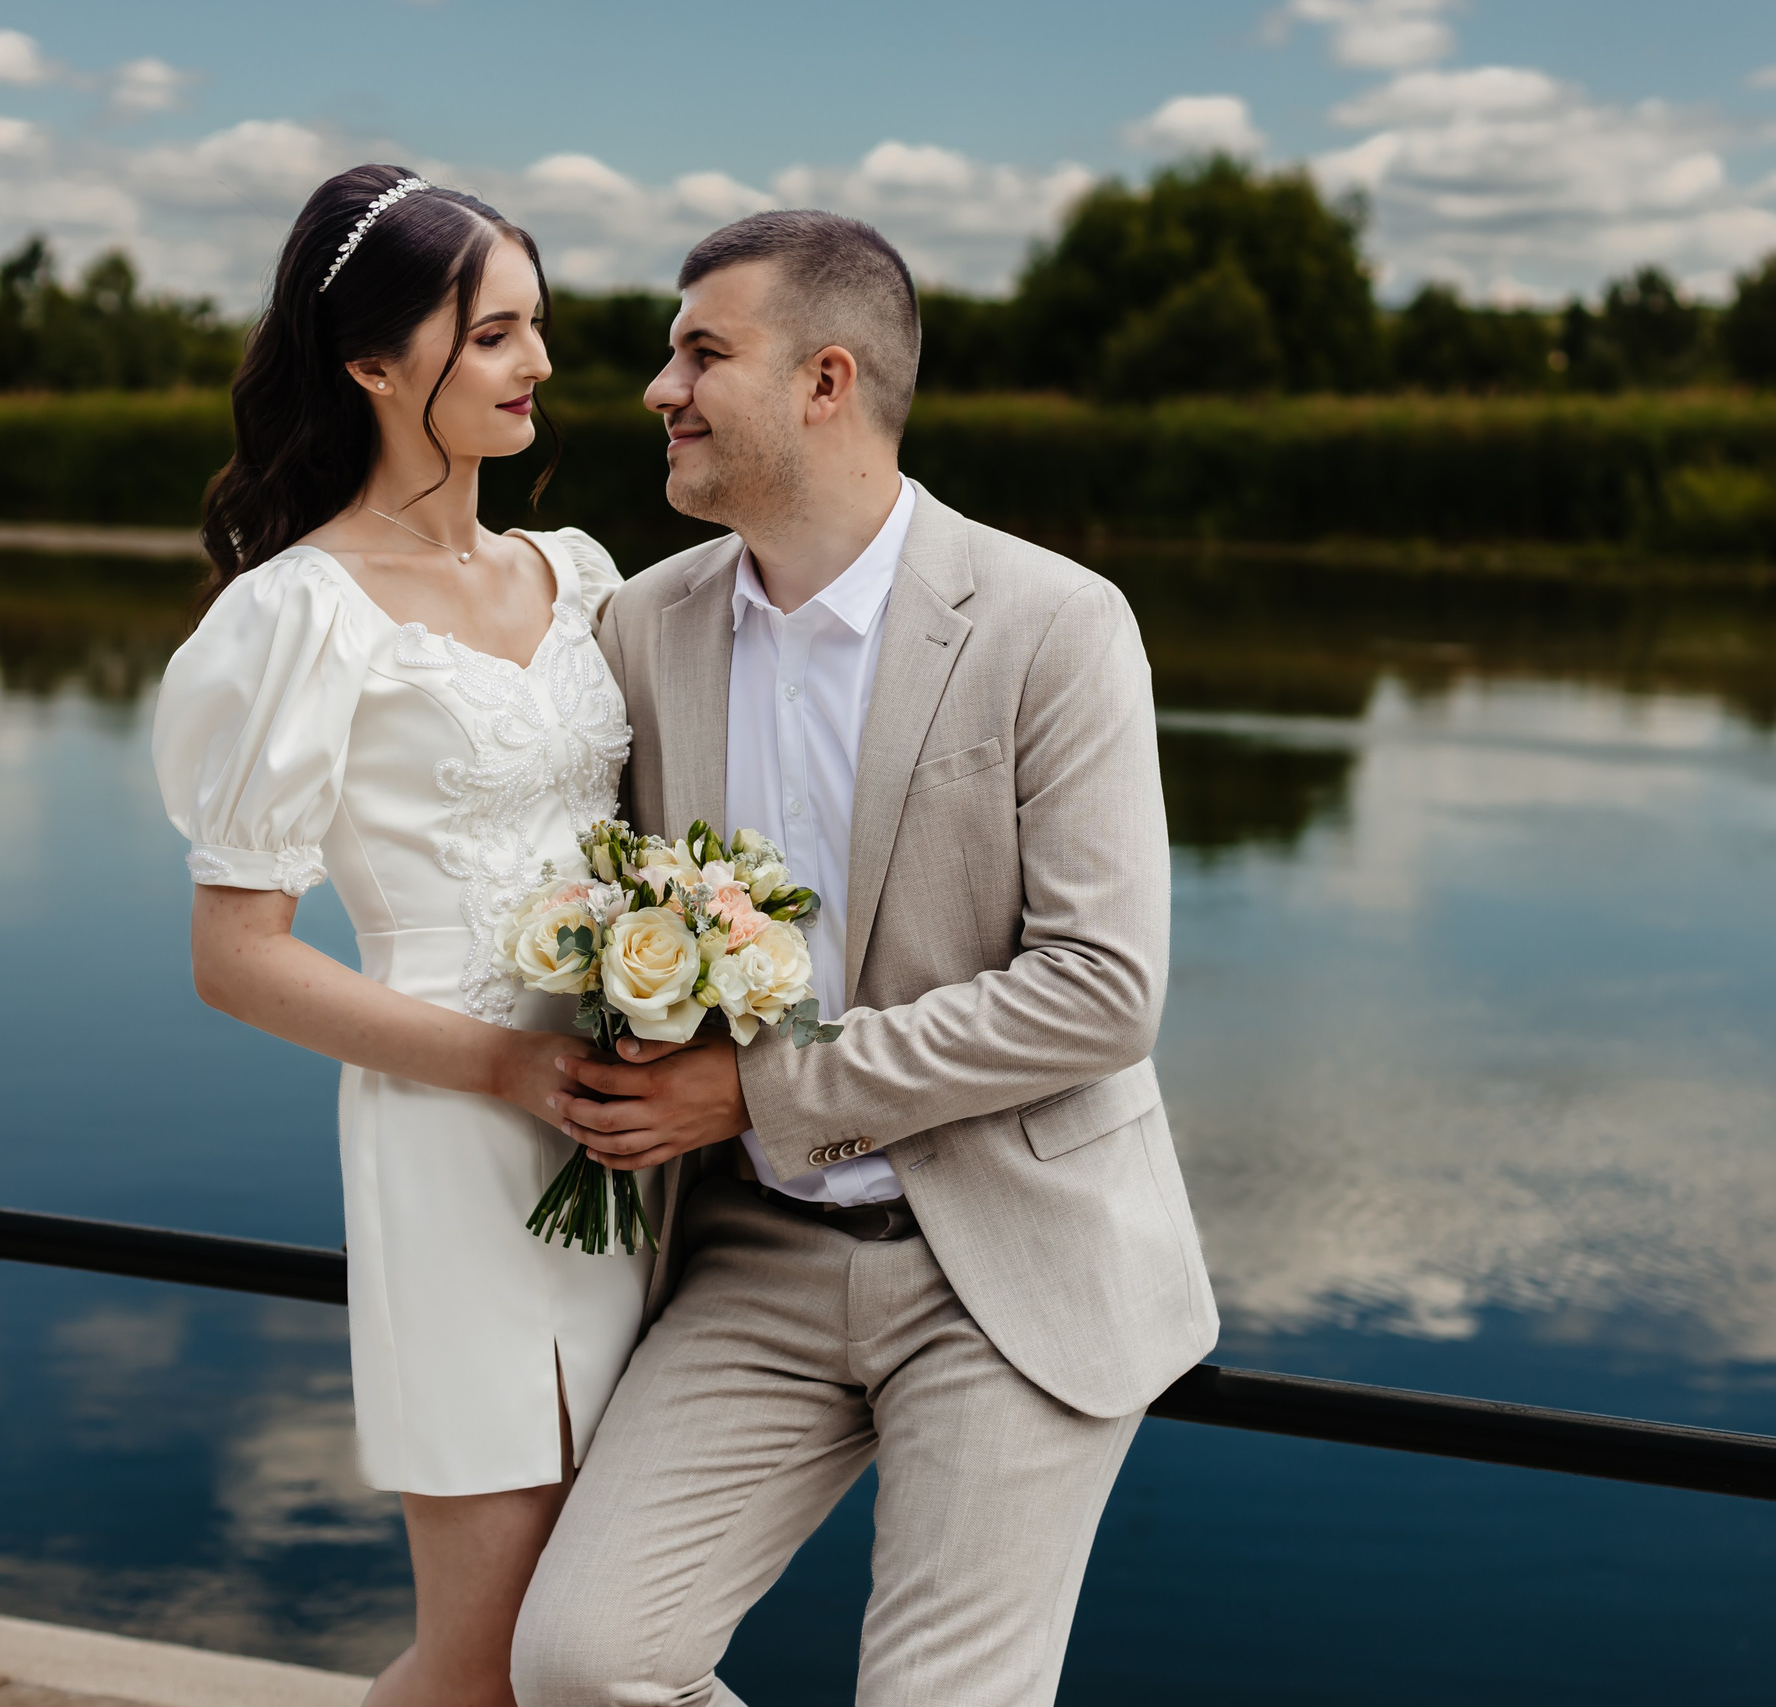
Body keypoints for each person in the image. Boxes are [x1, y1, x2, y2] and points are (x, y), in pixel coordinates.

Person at [510, 210, 1219, 1707]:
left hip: (1008, 1259)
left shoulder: (1054, 625)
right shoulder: (645, 626)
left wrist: (759, 1091)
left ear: (827, 381)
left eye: (702, 350)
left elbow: (1102, 991)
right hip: (751, 1263)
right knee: (580, 1668)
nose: (658, 386)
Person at [149, 165, 645, 1707]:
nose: (538, 366)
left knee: (605, 1643)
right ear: (373, 364)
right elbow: (234, 955)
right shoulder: (296, 616)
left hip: (638, 1144)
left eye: (535, 329)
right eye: (492, 334)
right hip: (454, 1136)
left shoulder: (582, 580)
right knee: (489, 1662)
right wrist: (506, 1067)